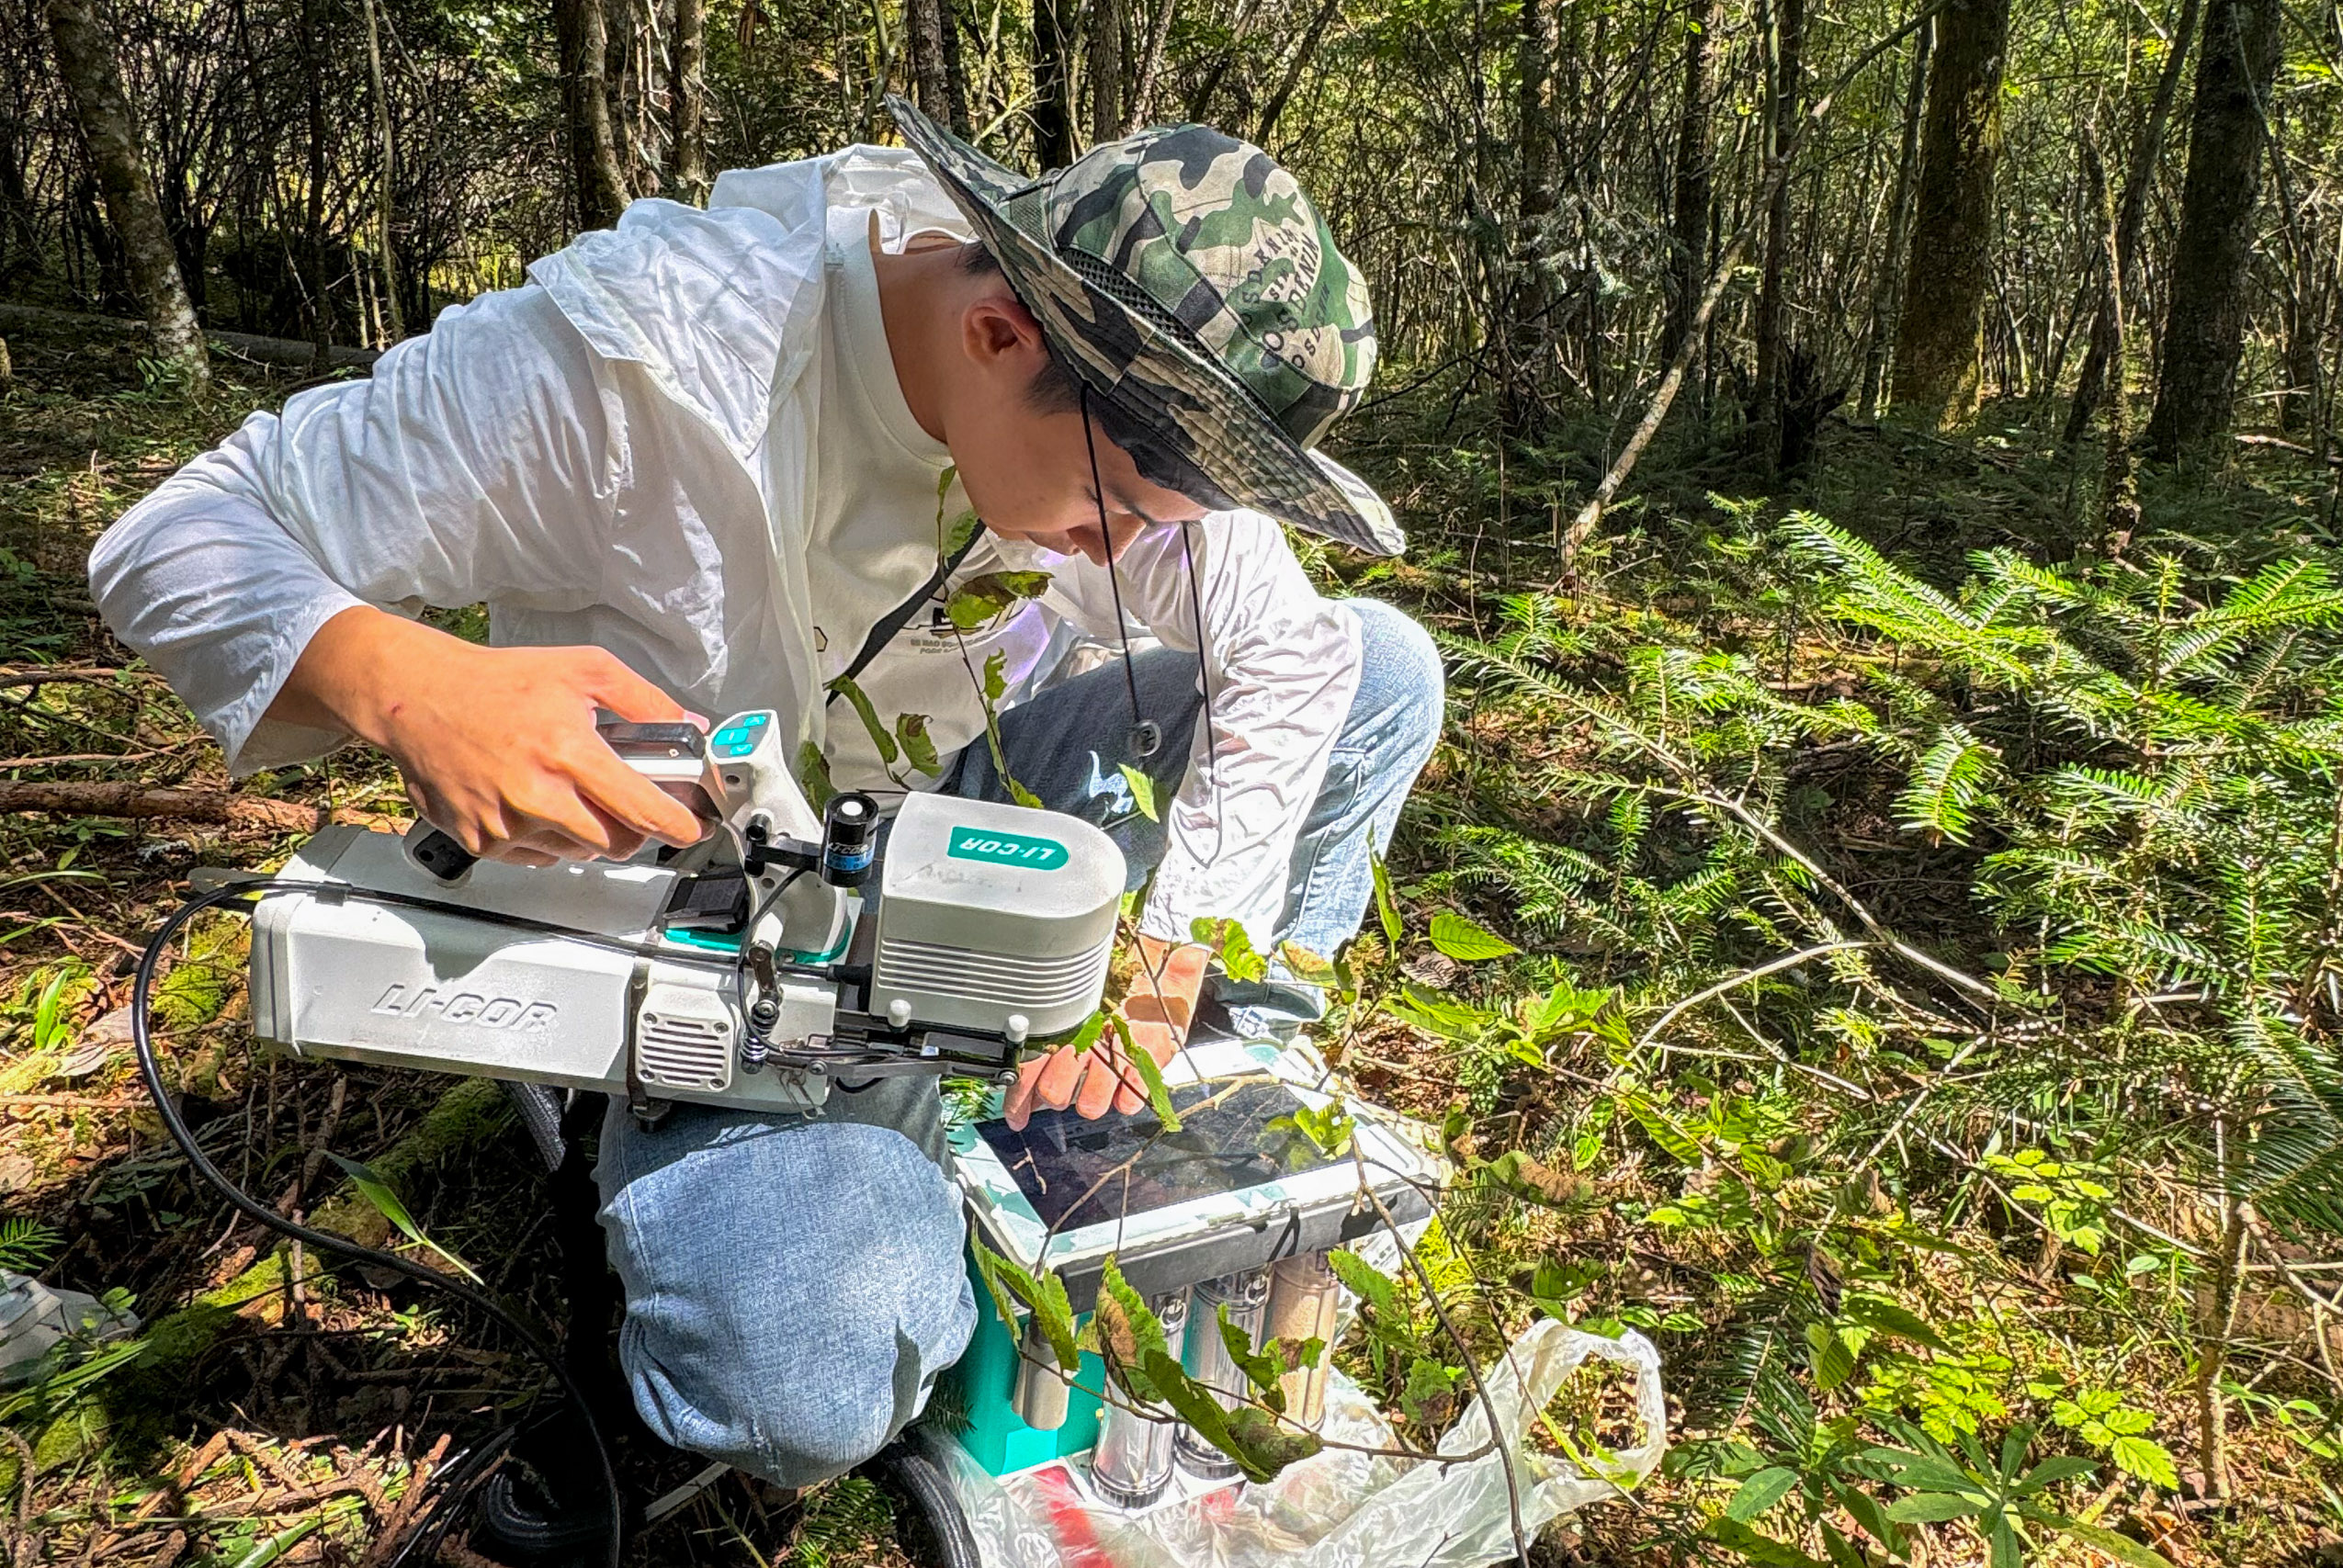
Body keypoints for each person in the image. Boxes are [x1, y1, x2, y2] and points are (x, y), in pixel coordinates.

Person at [88, 98, 1442, 1487]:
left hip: (949, 805)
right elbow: (173, 537)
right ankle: (763, 1168)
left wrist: (1176, 950)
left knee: (1381, 668)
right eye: (1123, 514)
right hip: (709, 903)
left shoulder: (1103, 428)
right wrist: (409, 681)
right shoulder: (641, 357)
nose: (1134, 553)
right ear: (999, 335)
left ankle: (1197, 1114)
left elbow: (1278, 647)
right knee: (806, 1374)